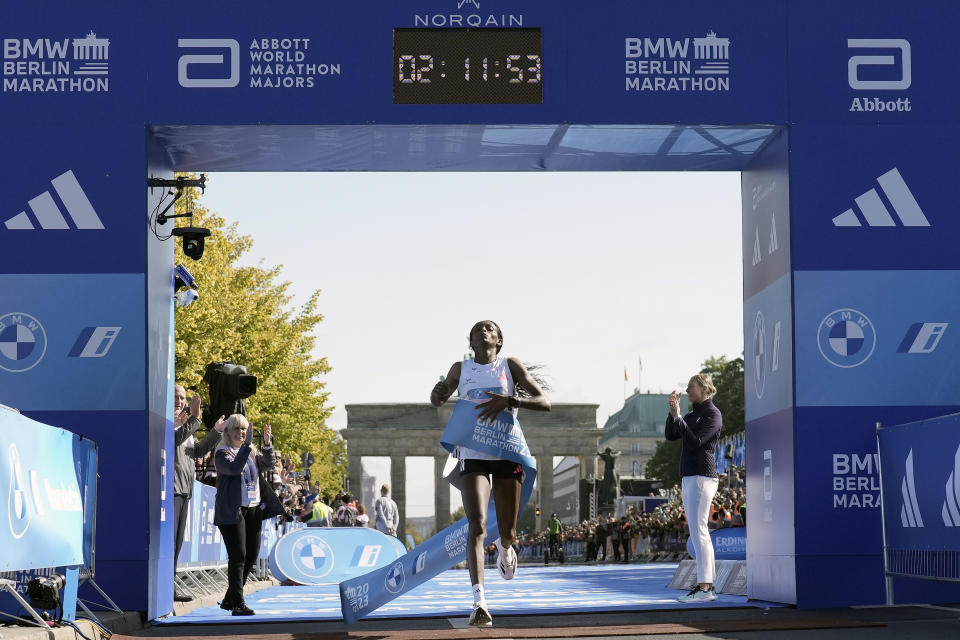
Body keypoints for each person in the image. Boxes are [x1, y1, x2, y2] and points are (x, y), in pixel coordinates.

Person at [430, 320, 550, 627]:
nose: (483, 330)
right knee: (478, 524)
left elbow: (544, 402)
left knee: (506, 531)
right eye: (476, 329)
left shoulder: (510, 366)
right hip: (473, 452)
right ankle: (479, 601)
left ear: (499, 339)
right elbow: (440, 397)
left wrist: (510, 400)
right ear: (470, 341)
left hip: (506, 450)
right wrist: (438, 393)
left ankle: (507, 546)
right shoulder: (461, 368)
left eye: (489, 328)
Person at [666, 374, 722, 603]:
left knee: (700, 530)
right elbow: (671, 435)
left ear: (705, 389)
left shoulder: (713, 414)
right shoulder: (691, 414)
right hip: (689, 475)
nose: (687, 391)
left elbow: (697, 442)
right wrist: (673, 416)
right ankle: (704, 584)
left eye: (691, 387)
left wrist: (680, 418)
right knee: (696, 531)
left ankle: (706, 586)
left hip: (703, 475)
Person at [214, 415, 275, 616]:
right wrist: (246, 445)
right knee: (238, 556)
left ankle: (229, 598)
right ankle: (238, 604)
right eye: (237, 429)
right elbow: (233, 469)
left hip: (253, 507)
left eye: (244, 429)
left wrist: (266, 444)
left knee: (251, 554)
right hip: (233, 510)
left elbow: (267, 465)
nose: (241, 433)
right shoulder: (222, 453)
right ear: (227, 432)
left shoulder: (251, 452)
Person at [172, 385, 224, 602]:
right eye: (175, 396)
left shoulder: (184, 424)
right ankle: (164, 589)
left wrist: (216, 431)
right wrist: (194, 419)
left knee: (177, 543)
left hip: (185, 490)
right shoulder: (166, 421)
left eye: (182, 397)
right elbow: (173, 440)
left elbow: (198, 452)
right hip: (170, 489)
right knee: (169, 542)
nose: (179, 400)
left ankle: (169, 588)